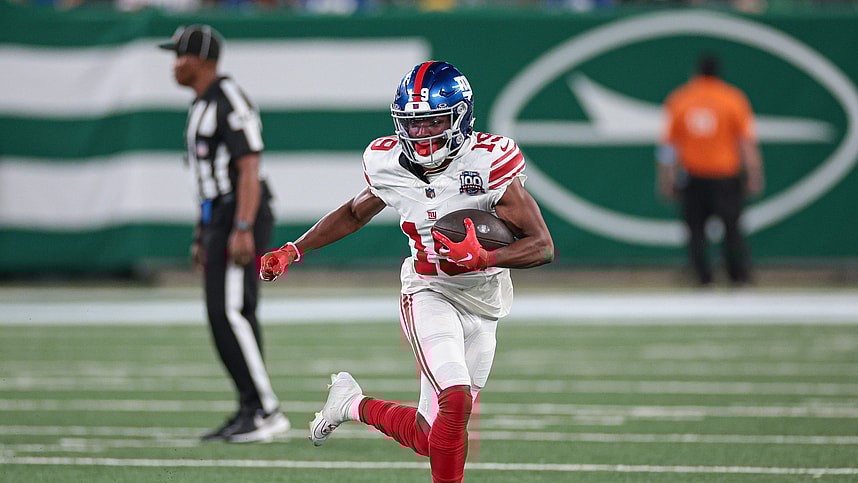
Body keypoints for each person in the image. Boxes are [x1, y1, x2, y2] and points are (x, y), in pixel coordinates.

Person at [260, 61, 554, 482]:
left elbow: (542, 246)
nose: (422, 134)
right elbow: (354, 212)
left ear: (460, 117)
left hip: (486, 301)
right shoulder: (387, 163)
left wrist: (485, 258)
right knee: (455, 399)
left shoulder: (489, 161)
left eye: (433, 122)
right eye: (412, 124)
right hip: (428, 291)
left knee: (430, 435)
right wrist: (294, 249)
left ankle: (351, 404)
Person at [159, 24, 290, 442]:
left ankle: (265, 410)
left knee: (230, 312)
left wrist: (243, 227)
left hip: (239, 212)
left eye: (179, 55)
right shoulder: (201, 104)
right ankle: (250, 406)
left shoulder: (227, 97)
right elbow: (205, 180)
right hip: (220, 215)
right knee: (228, 314)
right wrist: (202, 231)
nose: (174, 65)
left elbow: (249, 166)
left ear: (199, 59)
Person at [657, 52, 765, 287]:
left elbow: (668, 146)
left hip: (693, 176)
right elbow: (746, 142)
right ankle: (739, 278)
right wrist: (754, 172)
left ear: (696, 73)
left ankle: (703, 278)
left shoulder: (681, 99)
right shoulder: (733, 98)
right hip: (725, 175)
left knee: (696, 232)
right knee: (732, 230)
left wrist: (666, 176)